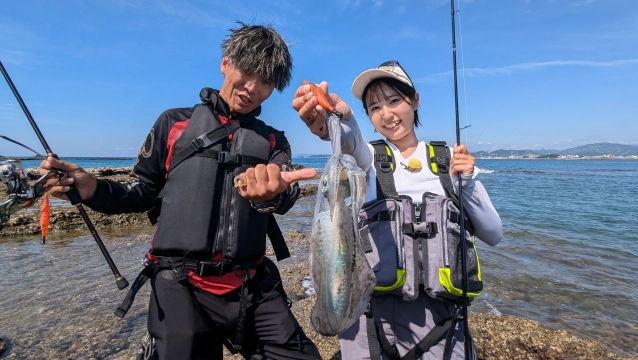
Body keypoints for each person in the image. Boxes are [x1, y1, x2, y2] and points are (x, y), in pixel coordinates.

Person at [41, 22, 322, 360]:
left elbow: (286, 193)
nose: (252, 88)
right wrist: (93, 189)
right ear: (225, 62)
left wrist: (272, 194)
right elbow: (141, 191)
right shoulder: (173, 124)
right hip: (180, 284)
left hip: (250, 284)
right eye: (247, 71)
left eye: (265, 82)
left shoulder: (274, 140)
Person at [292, 61, 503, 359]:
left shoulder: (448, 162)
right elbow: (350, 140)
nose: (386, 114)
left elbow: (493, 234)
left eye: (394, 101)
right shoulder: (371, 160)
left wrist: (467, 182)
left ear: (414, 100)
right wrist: (338, 119)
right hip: (369, 317)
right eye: (374, 107)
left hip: (440, 320)